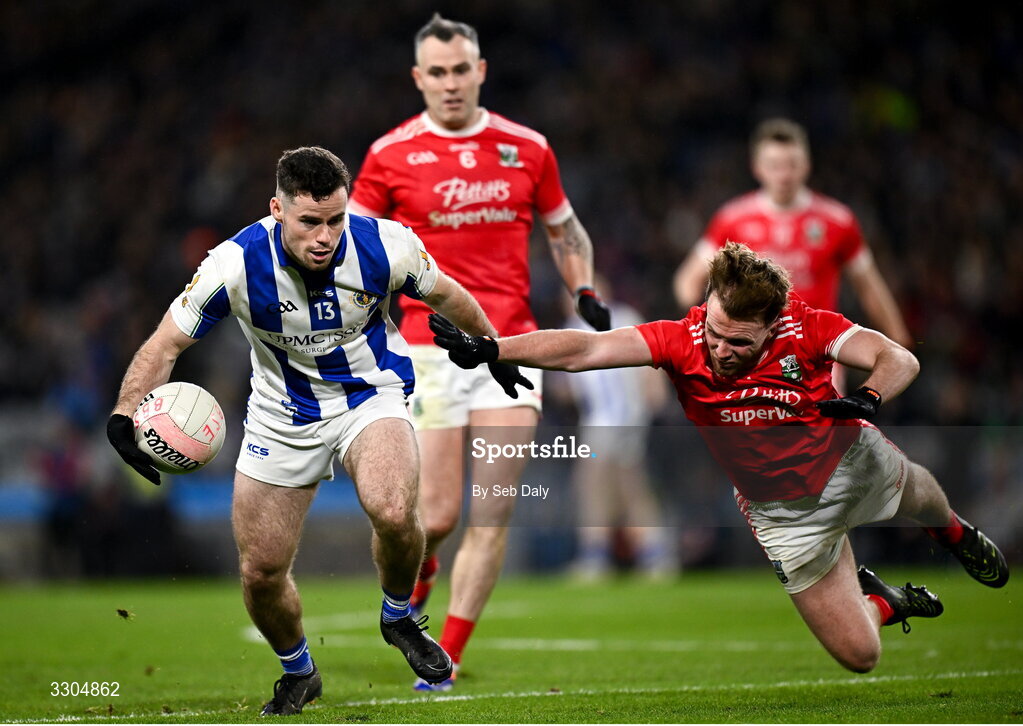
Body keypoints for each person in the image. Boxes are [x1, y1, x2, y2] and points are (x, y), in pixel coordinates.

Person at [429, 242, 1009, 673]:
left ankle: (955, 535)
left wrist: (869, 395)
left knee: (920, 493)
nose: (722, 351)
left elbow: (898, 357)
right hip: (783, 514)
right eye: (716, 333)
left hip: (848, 457)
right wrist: (492, 347)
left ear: (771, 323)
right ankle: (883, 599)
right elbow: (586, 348)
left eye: (740, 343)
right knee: (861, 656)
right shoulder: (682, 339)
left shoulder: (806, 327)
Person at [105, 146, 533, 715]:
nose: (326, 236)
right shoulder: (233, 264)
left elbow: (448, 294)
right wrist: (123, 413)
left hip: (369, 395)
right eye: (309, 221)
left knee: (394, 508)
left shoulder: (384, 244)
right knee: (260, 570)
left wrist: (492, 350)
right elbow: (166, 344)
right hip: (281, 414)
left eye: (335, 218)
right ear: (277, 209)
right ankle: (299, 671)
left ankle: (399, 616)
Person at [348, 13, 610, 691]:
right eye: (436, 72)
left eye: (461, 69)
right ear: (418, 78)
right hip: (428, 352)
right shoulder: (389, 154)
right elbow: (355, 246)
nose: (450, 82)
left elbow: (564, 228)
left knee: (492, 511)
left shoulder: (527, 147)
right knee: (434, 516)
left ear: (480, 70)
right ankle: (422, 566)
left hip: (509, 350)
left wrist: (582, 286)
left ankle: (448, 656)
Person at [673, 118, 913, 353]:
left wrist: (900, 343)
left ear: (807, 164)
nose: (784, 175)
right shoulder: (733, 220)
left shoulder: (837, 221)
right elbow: (687, 282)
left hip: (819, 354)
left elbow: (869, 287)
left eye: (792, 164)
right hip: (755, 355)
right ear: (756, 167)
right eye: (775, 165)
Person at [556, 276, 676, 580]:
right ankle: (653, 553)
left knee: (595, 485)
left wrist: (653, 395)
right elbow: (571, 388)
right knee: (627, 486)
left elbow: (652, 358)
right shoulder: (576, 327)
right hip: (608, 419)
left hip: (615, 418)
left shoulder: (619, 319)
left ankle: (596, 556)